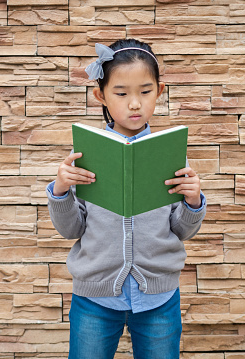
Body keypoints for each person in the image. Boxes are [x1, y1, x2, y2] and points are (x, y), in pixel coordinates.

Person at [46, 39, 207, 359]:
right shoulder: (87, 153)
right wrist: (61, 191)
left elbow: (182, 230)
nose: (134, 103)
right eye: (121, 93)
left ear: (159, 92)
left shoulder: (169, 154)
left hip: (159, 298)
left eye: (145, 92)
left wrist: (192, 203)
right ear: (100, 95)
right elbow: (71, 229)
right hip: (94, 298)